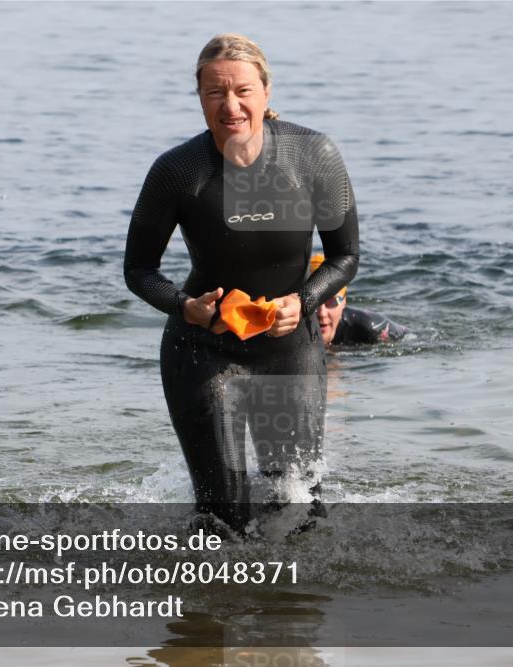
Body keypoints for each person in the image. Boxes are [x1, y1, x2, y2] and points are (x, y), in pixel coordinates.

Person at [123, 34, 359, 533]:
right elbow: (139, 270)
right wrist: (186, 306)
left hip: (288, 347)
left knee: (297, 509)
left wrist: (306, 300)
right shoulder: (178, 171)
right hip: (204, 348)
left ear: (266, 91)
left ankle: (288, 608)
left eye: (243, 90)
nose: (230, 105)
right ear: (200, 98)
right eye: (215, 93)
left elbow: (344, 256)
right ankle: (211, 606)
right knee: (221, 518)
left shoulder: (313, 156)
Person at [310, 254, 407, 347]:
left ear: (344, 301)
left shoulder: (371, 329)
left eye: (332, 301)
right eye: (312, 301)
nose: (322, 313)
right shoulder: (294, 327)